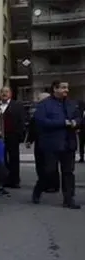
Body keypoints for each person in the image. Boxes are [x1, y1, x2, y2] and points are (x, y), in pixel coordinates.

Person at [31, 81, 81, 209]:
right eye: (63, 88)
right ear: (55, 89)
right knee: (49, 172)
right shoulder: (45, 105)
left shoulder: (71, 103)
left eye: (67, 88)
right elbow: (41, 121)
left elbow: (79, 117)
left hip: (68, 144)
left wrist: (76, 122)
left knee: (68, 172)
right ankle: (38, 191)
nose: (66, 90)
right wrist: (63, 123)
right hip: (51, 144)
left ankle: (68, 199)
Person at [0, 86, 25, 189]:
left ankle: (15, 180)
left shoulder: (17, 105)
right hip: (0, 136)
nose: (4, 93)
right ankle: (4, 179)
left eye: (6, 91)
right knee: (2, 158)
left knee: (14, 158)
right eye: (2, 92)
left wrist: (20, 135)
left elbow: (22, 120)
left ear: (10, 94)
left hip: (13, 135)